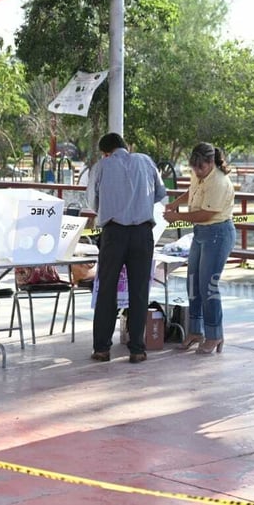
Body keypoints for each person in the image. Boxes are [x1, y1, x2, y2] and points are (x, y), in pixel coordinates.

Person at [86, 133, 167, 364]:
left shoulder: (101, 167)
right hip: (143, 233)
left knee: (107, 290)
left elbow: (92, 202)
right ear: (125, 147)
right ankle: (137, 349)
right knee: (139, 291)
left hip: (113, 233)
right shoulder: (146, 161)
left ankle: (102, 348)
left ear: (106, 152)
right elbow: (160, 195)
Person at [163, 143, 236, 354]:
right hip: (200, 233)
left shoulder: (219, 182)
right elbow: (191, 191)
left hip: (217, 233)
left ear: (211, 162)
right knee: (193, 283)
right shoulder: (201, 174)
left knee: (208, 286)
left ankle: (214, 334)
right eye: (194, 168)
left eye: (200, 168)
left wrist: (177, 216)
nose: (197, 171)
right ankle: (195, 330)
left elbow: (206, 214)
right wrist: (175, 203)